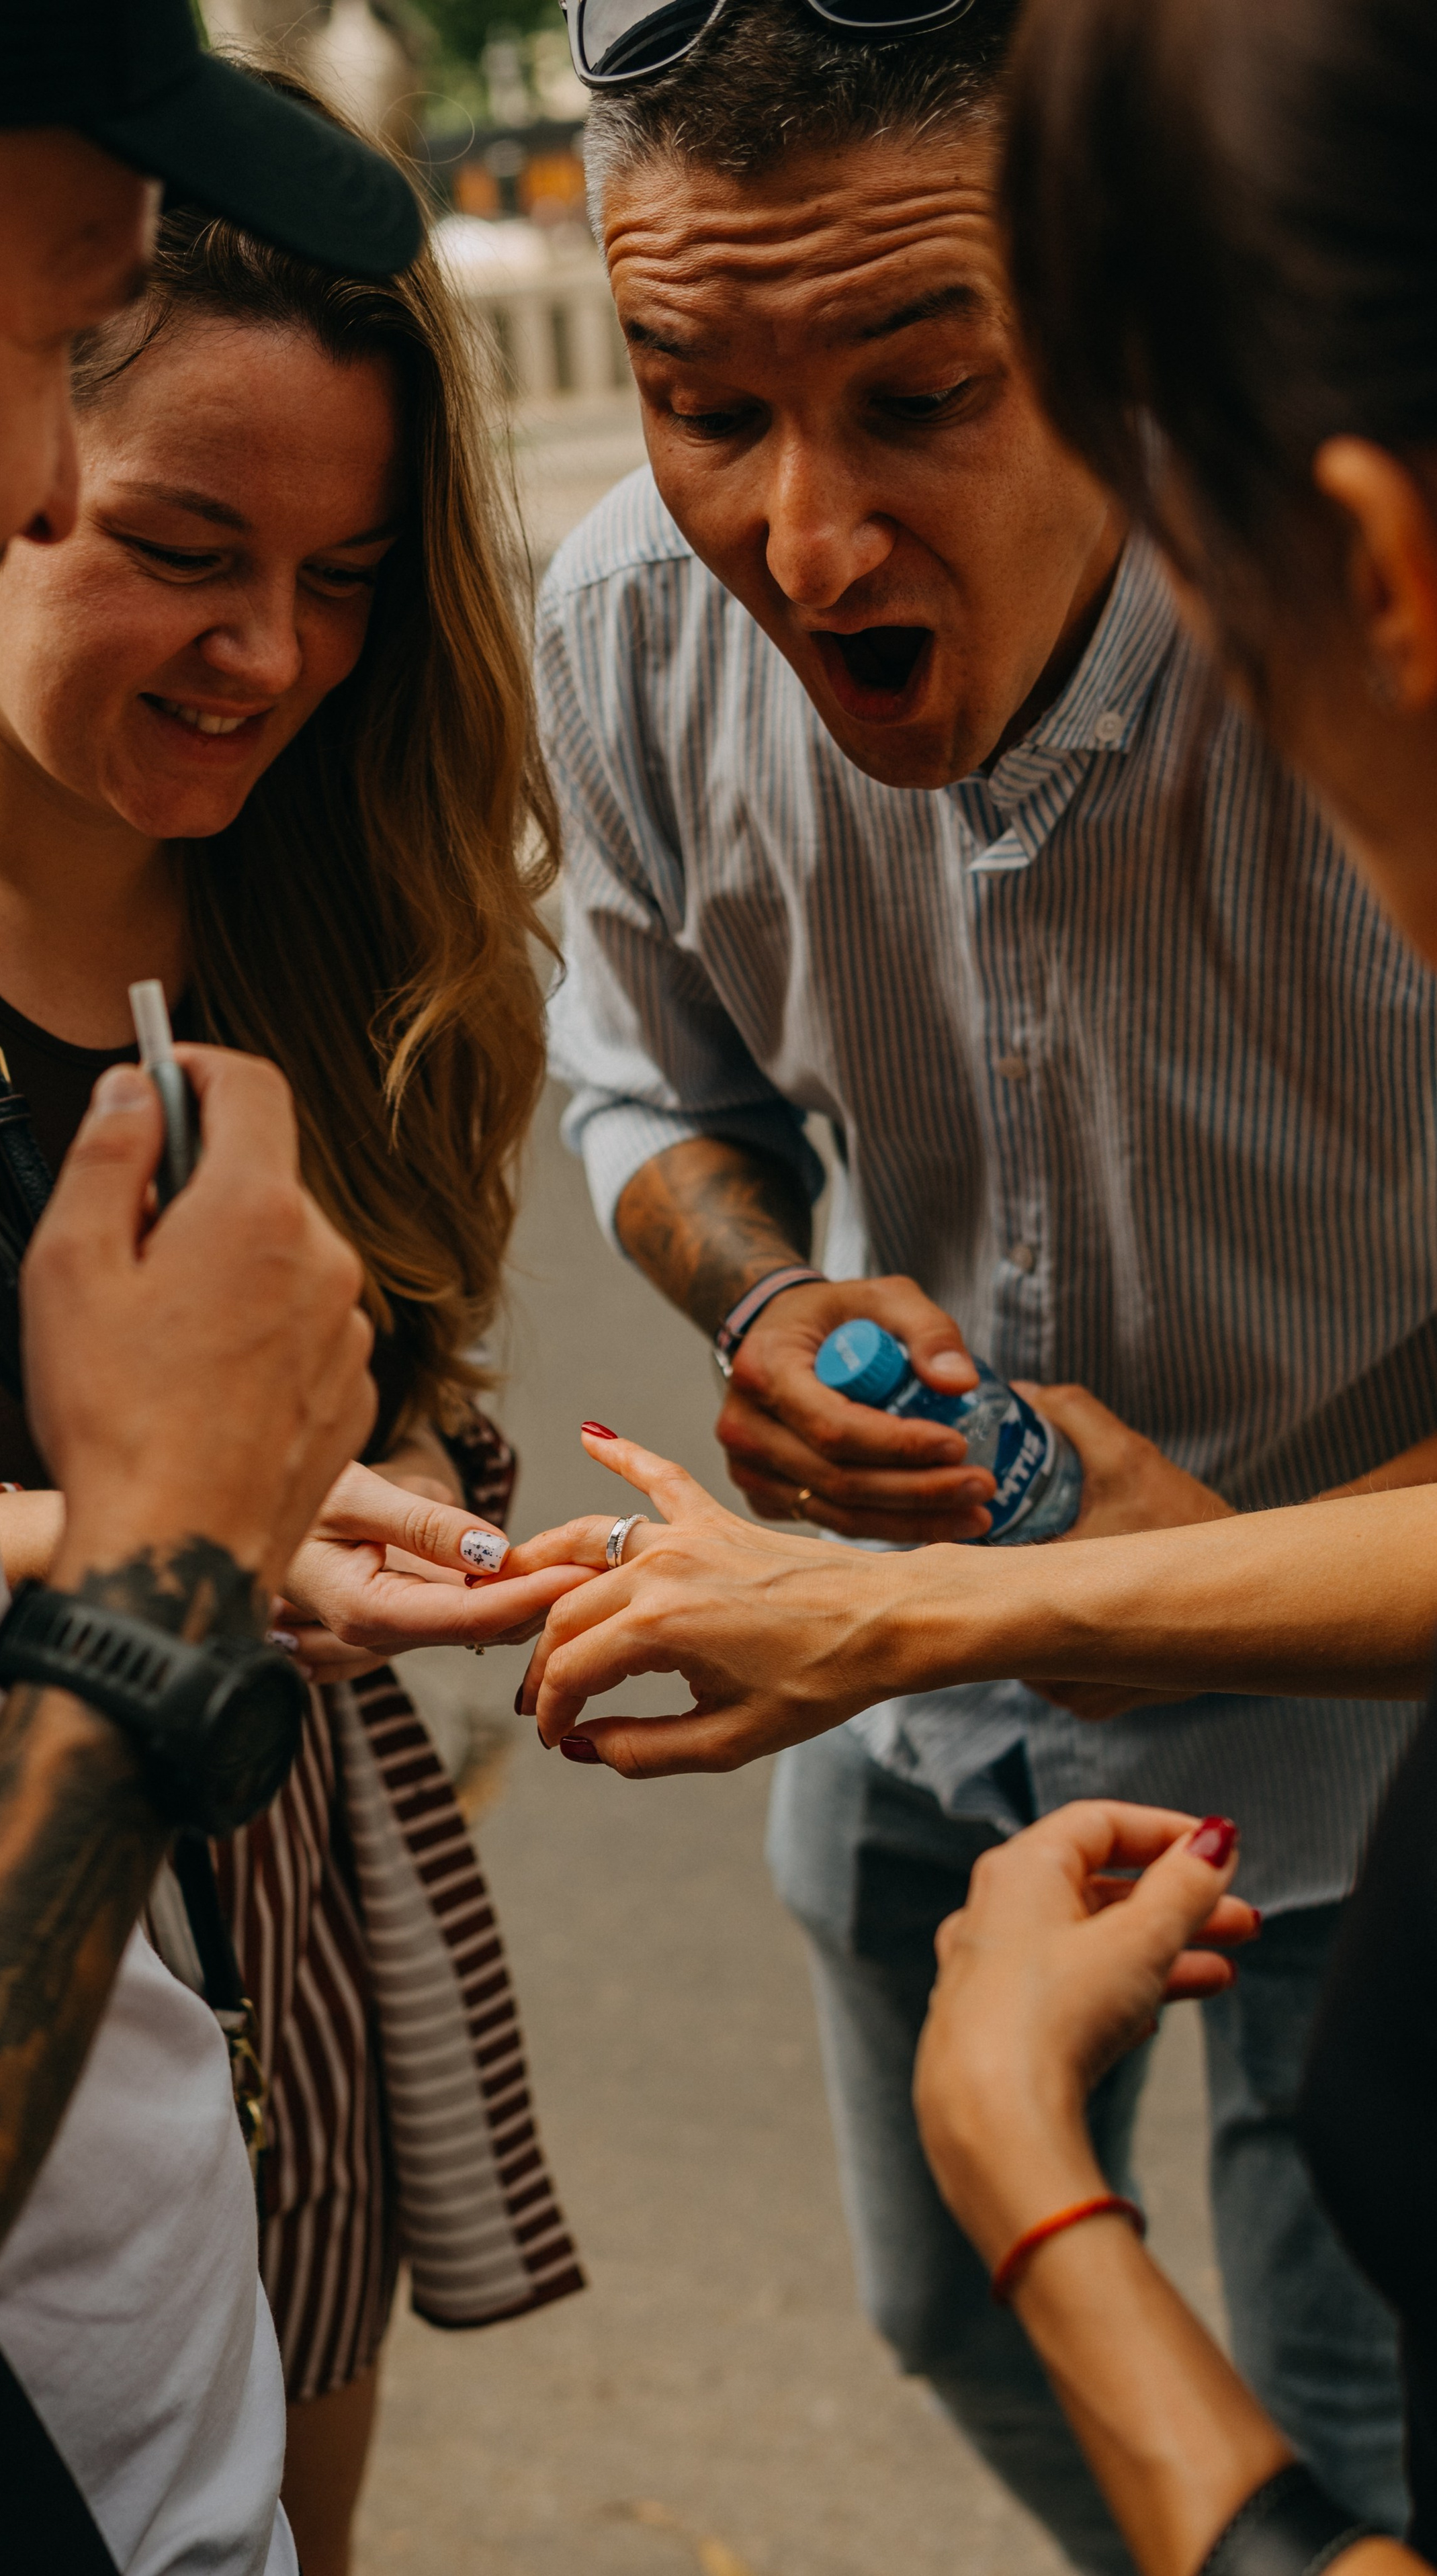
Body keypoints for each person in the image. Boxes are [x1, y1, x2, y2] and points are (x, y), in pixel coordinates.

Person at [528, 0, 1437, 2555]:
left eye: (924, 392)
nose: (802, 546)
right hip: (896, 1709)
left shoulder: (1337, 642)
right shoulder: (625, 636)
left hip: (1359, 1782)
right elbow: (649, 1089)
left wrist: (1159, 1584)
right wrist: (761, 1301)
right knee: (945, 2301)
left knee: (1348, 2352)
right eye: (694, 399)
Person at [0, 75, 584, 2571]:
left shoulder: (351, 900)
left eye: (349, 579)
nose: (273, 652)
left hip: (277, 1895)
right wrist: (173, 1544)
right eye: (185, 547)